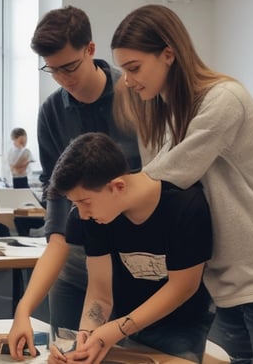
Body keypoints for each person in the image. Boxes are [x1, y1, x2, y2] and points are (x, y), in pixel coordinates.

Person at [111, 4, 253, 363]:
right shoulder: (171, 111)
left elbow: (171, 174)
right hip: (226, 285)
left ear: (169, 55)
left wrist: (109, 194)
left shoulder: (223, 98)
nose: (127, 81)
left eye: (134, 68)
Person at [8, 5, 141, 352]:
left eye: (69, 66)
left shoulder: (137, 97)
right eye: (52, 70)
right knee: (68, 353)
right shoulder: (52, 112)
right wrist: (23, 310)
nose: (64, 78)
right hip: (76, 262)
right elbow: (58, 201)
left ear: (91, 49)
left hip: (133, 265)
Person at [44, 132, 213, 364]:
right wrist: (85, 338)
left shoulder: (185, 205)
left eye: (85, 202)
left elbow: (183, 288)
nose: (83, 214)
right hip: (128, 325)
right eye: (75, 204)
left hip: (181, 326)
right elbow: (100, 293)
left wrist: (115, 330)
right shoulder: (97, 218)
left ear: (118, 186)